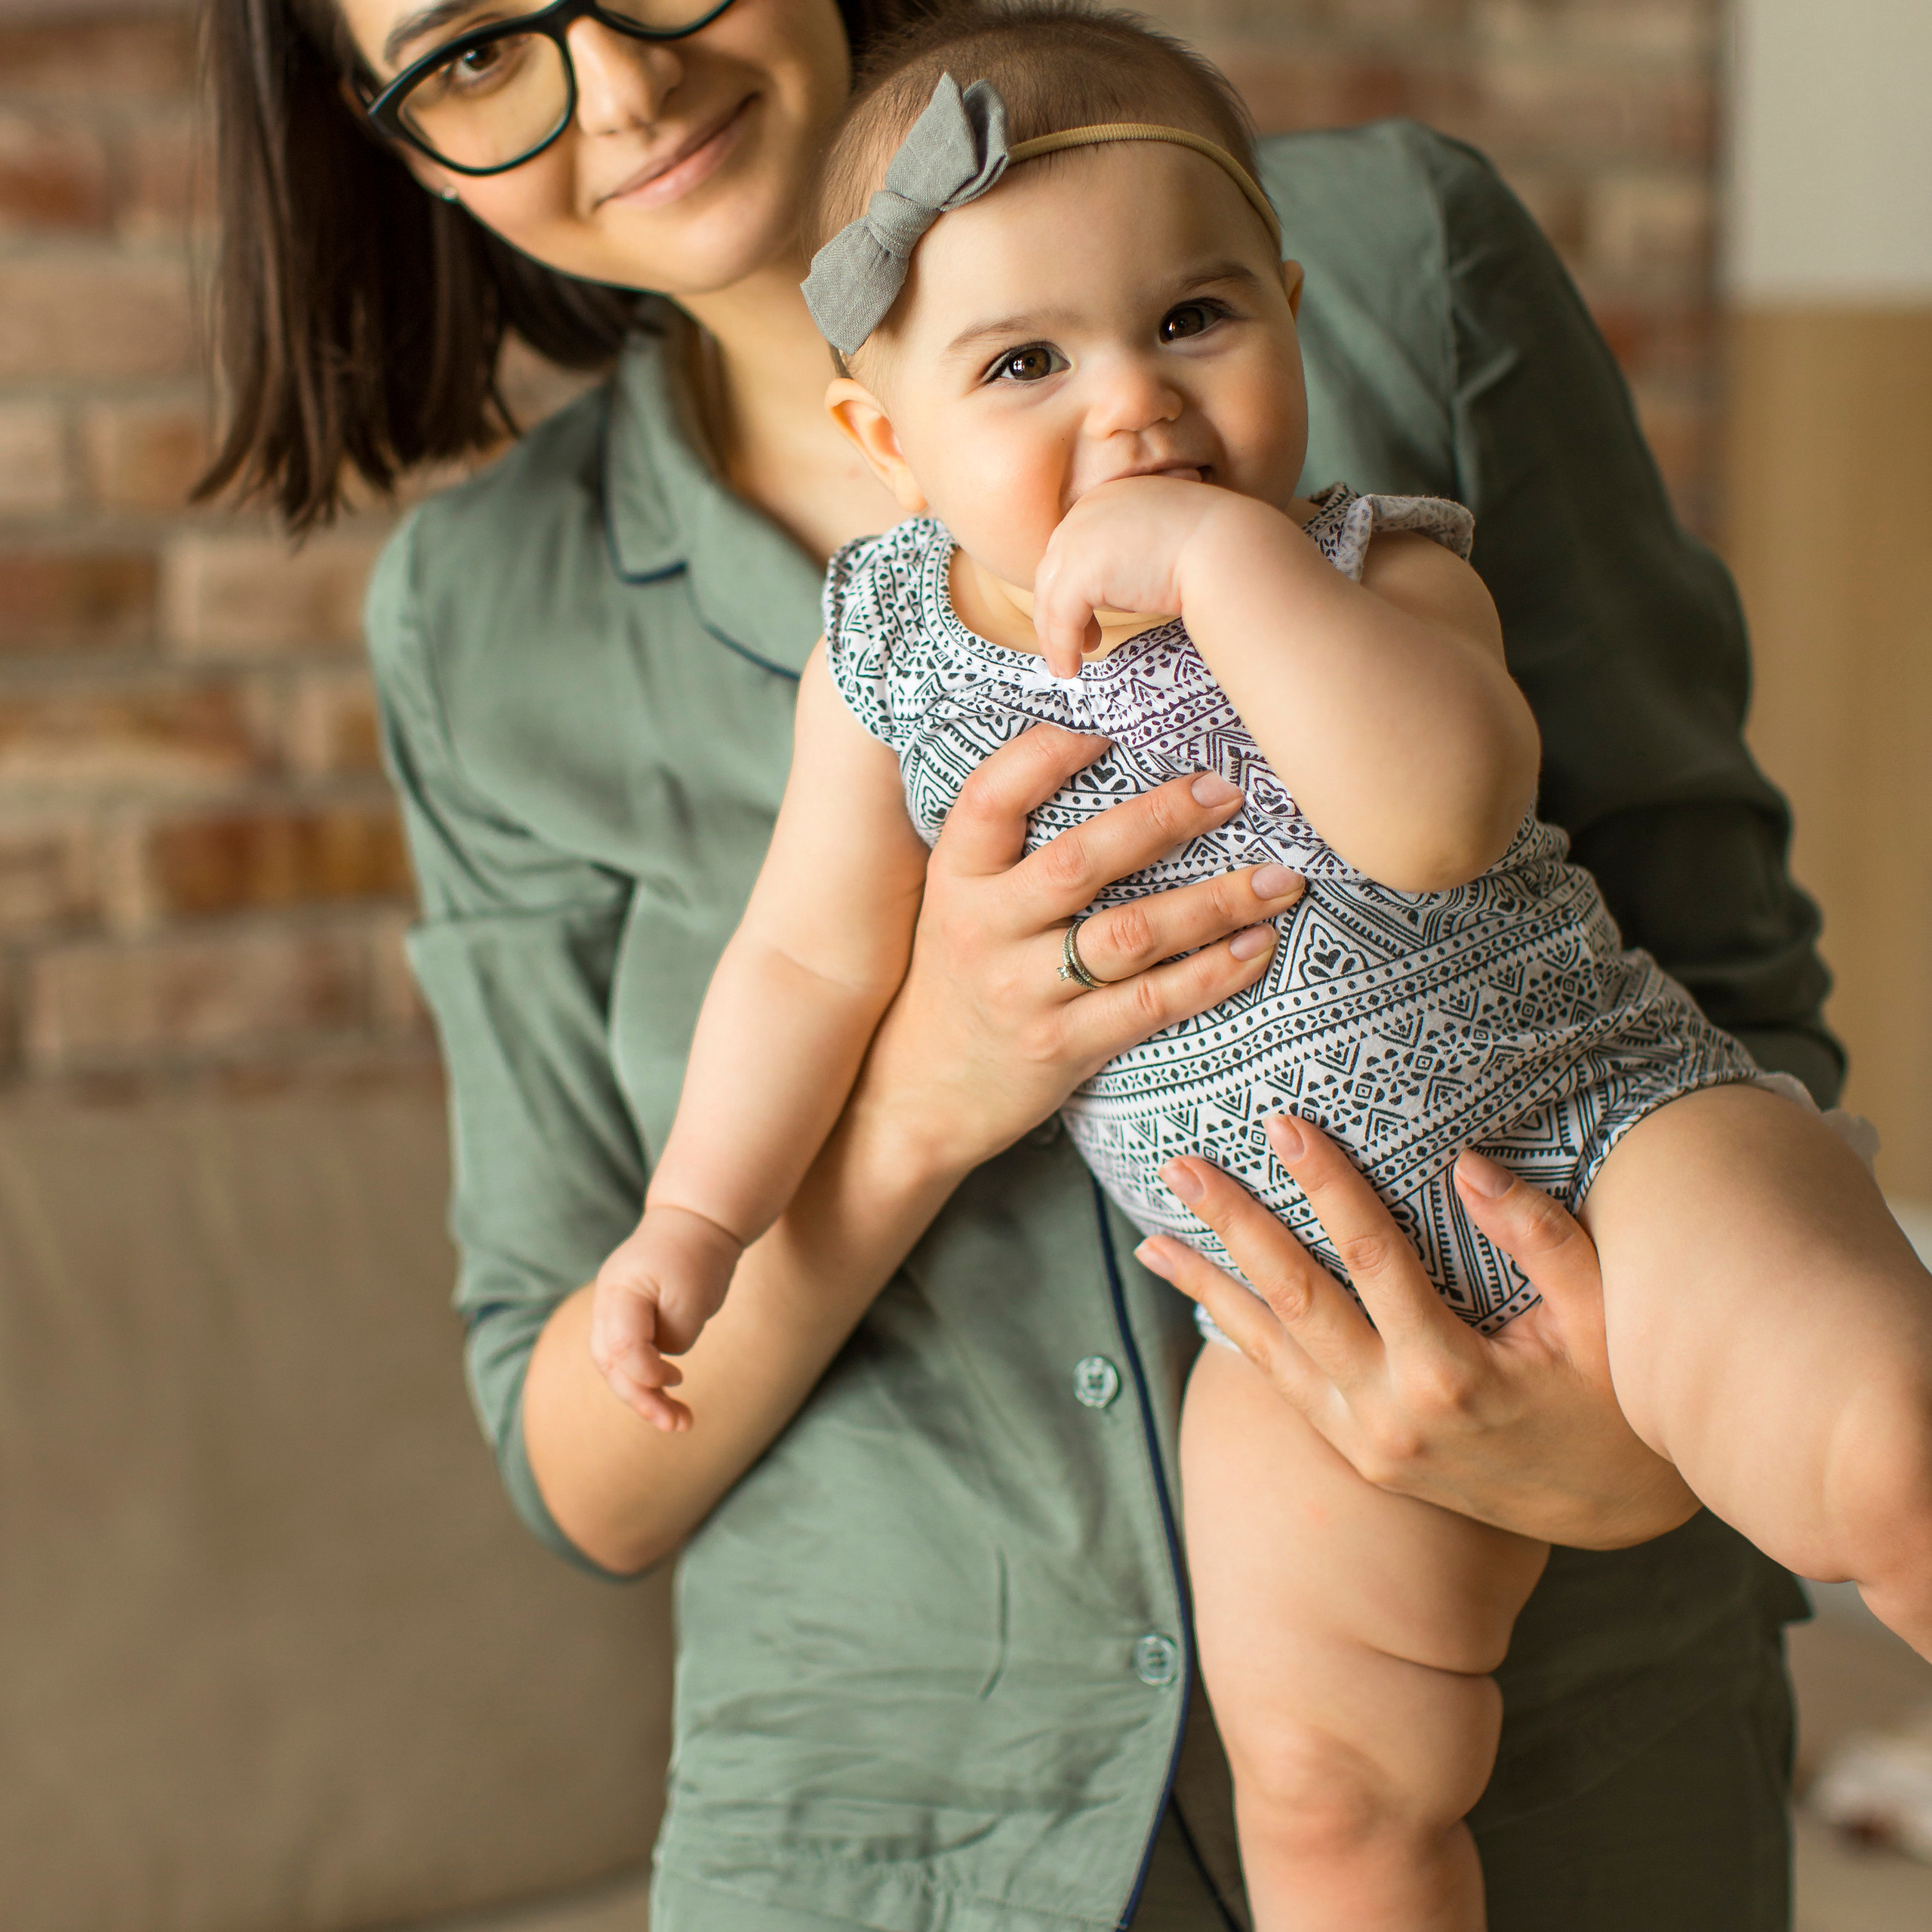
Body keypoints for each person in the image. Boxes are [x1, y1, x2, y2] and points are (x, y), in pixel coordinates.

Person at [199, 0, 1845, 1924]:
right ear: (381, 133)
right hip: (893, 1834)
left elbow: (1729, 984)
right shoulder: (493, 616)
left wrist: (1633, 1454)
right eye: (473, 52)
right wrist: (924, 1083)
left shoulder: (1392, 261)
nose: (623, 82)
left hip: (1554, 1762)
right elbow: (590, 1473)